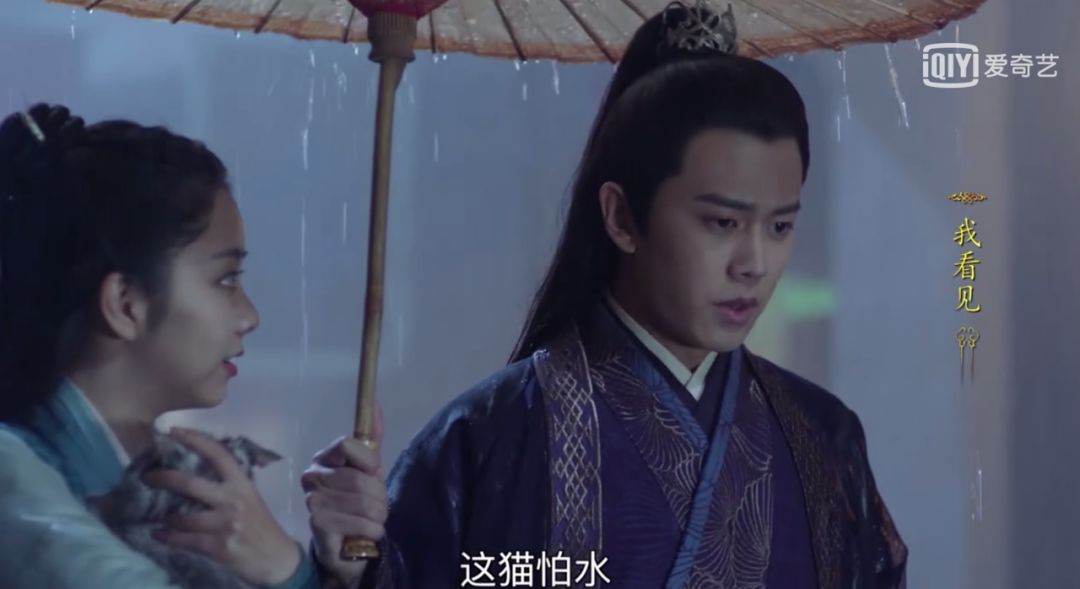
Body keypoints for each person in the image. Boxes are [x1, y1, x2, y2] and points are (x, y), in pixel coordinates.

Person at [305, 3, 908, 588]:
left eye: (779, 226)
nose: (754, 264)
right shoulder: (489, 439)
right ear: (621, 217)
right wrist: (353, 567)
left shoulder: (823, 438)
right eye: (722, 222)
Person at [0, 104, 320, 588]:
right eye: (225, 279)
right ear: (126, 304)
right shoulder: (12, 477)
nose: (249, 317)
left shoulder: (170, 476)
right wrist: (287, 572)